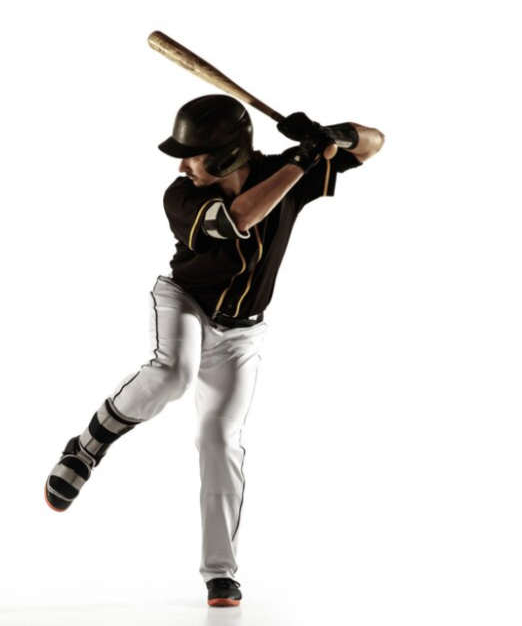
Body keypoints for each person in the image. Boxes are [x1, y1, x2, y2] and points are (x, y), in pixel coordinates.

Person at [44, 94, 384, 607]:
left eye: (194, 154)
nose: (183, 164)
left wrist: (327, 135)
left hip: (242, 333)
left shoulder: (290, 169)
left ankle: (220, 572)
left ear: (226, 155)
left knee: (220, 440)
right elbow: (240, 218)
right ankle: (89, 444)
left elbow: (375, 142)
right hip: (184, 303)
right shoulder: (181, 195)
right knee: (173, 375)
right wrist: (304, 158)